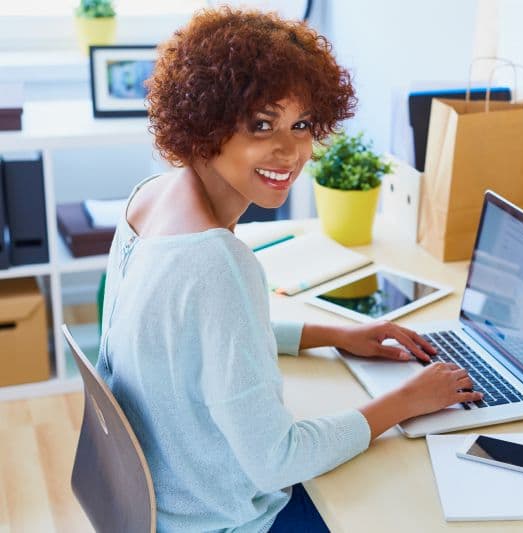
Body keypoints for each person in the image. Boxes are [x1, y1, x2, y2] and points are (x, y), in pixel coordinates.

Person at [97, 7, 483, 532]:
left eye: (301, 125)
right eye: (261, 125)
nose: (290, 151)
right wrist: (408, 400)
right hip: (218, 518)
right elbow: (276, 461)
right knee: (416, 502)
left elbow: (189, 340)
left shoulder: (149, 200)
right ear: (205, 125)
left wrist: (334, 333)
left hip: (163, 500)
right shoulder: (216, 261)